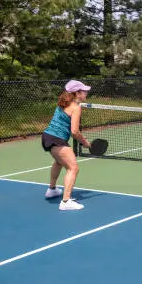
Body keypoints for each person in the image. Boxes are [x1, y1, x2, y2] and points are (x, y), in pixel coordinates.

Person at [41, 80, 92, 210]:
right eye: (84, 91)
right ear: (77, 93)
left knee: (59, 162)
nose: (86, 93)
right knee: (73, 168)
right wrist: (85, 142)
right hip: (57, 139)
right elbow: (74, 131)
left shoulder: (63, 103)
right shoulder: (76, 107)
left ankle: (52, 189)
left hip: (47, 136)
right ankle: (65, 202)